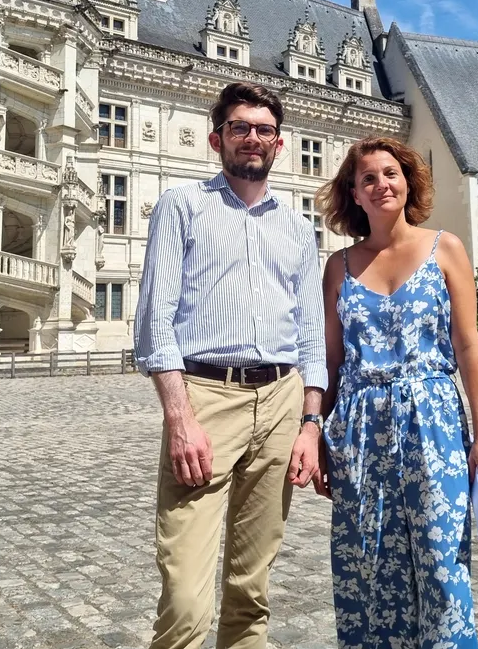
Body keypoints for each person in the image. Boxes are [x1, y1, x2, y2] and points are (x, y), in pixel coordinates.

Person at [134, 81, 327, 649]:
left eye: (263, 130)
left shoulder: (296, 227)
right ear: (217, 138)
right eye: (240, 128)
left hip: (281, 402)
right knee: (186, 601)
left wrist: (311, 426)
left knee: (251, 592)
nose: (252, 139)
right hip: (205, 397)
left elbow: (311, 335)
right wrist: (179, 416)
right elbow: (154, 321)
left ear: (279, 145)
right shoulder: (182, 206)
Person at [313, 136, 478, 649]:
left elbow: (468, 345)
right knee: (367, 564)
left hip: (433, 419)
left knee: (441, 562)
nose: (381, 185)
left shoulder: (446, 248)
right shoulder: (339, 266)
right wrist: (316, 436)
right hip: (358, 428)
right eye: (368, 178)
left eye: (390, 173)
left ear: (407, 180)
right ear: (353, 193)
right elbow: (331, 362)